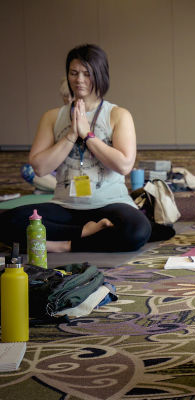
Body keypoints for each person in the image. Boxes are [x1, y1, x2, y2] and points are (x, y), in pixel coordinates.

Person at [0, 44, 150, 252]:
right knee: (7, 222)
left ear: (100, 75)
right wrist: (71, 134)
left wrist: (88, 135)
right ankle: (82, 235)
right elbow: (40, 167)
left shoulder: (118, 115)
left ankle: (61, 244)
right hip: (65, 206)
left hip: (111, 204)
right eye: (74, 73)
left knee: (137, 230)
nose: (79, 80)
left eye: (87, 74)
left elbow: (124, 165)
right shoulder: (52, 117)